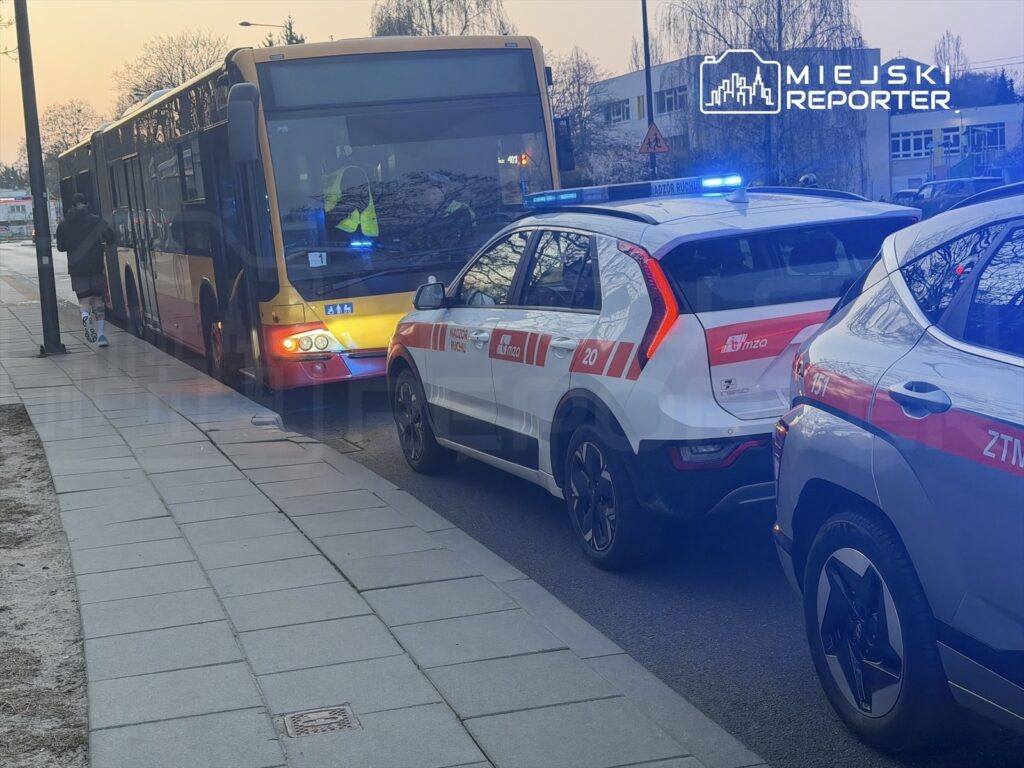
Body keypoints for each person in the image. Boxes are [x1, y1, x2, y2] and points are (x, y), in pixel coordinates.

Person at [55, 193, 116, 347]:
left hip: (76, 269)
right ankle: (101, 334)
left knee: (84, 301)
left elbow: (61, 248)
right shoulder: (96, 220)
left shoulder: (63, 225)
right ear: (86, 204)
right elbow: (111, 237)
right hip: (95, 267)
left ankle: (85, 318)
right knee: (97, 300)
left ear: (72, 206)